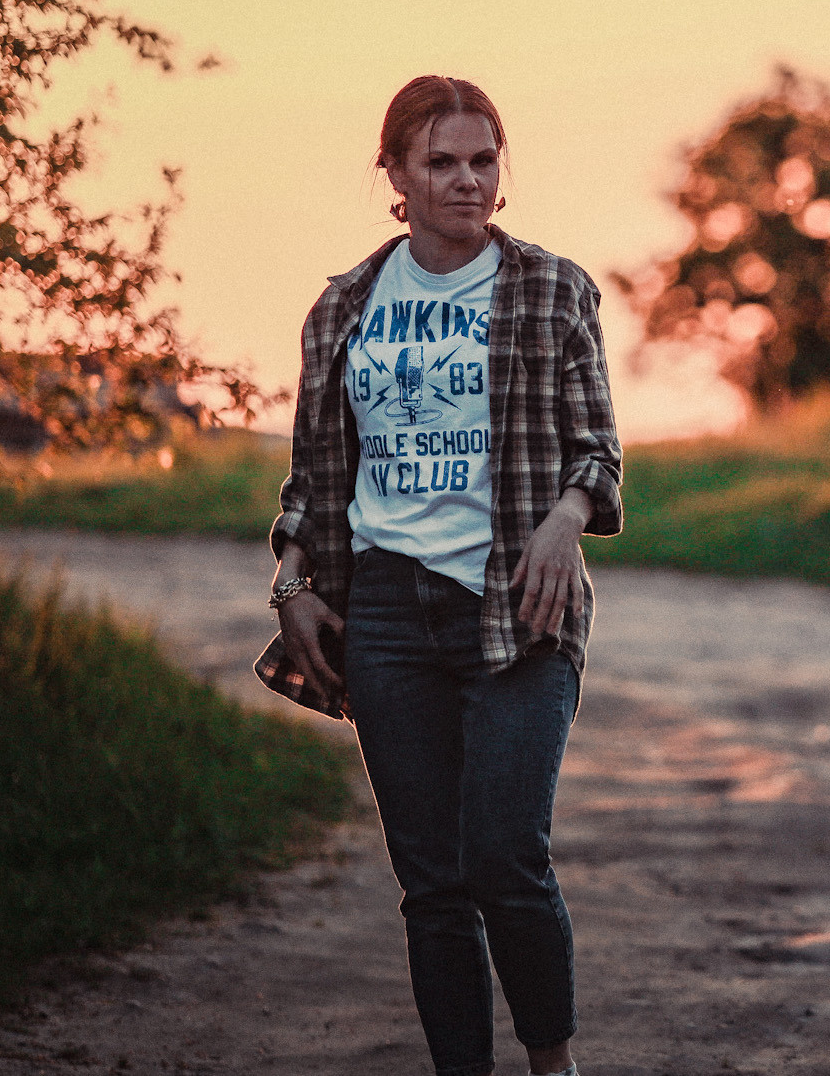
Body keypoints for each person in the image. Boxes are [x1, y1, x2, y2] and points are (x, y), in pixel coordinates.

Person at [252, 75, 622, 1076]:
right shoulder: (342, 309)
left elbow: (596, 452)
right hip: (386, 619)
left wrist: (564, 519)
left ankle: (553, 1066)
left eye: (483, 161)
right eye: (442, 162)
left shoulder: (551, 289)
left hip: (518, 612)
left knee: (504, 856)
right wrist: (295, 582)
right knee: (431, 885)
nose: (467, 180)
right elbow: (316, 479)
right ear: (395, 176)